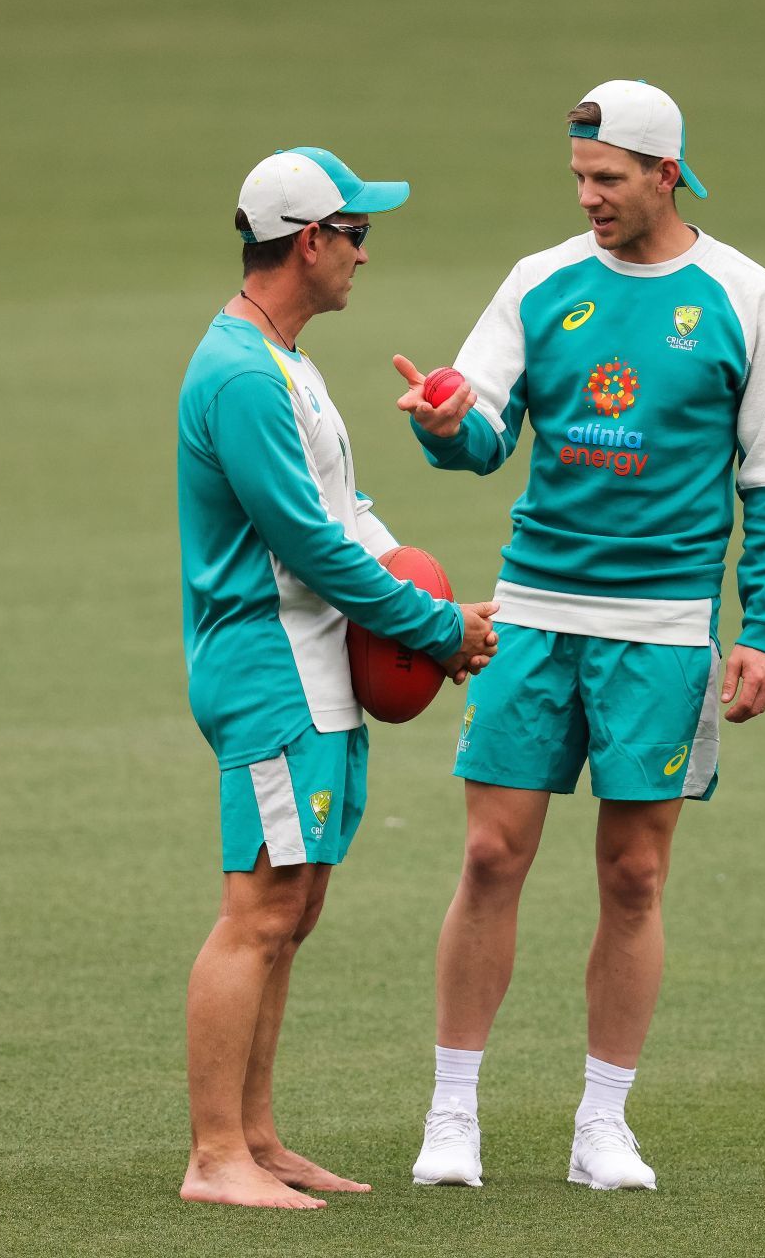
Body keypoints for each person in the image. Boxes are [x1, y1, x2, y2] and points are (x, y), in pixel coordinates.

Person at [397, 80, 765, 1191]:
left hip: (665, 632)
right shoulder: (540, 283)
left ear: (667, 172)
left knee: (633, 875)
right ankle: (452, 1116)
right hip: (534, 613)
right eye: (579, 177)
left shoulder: (748, 296)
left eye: (608, 179)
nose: (588, 197)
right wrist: (447, 426)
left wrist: (763, 627)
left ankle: (602, 1126)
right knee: (491, 854)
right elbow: (481, 428)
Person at [176, 146, 500, 1210]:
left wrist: (434, 609)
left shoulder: (285, 360)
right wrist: (433, 626)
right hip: (271, 668)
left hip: (315, 667)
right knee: (258, 907)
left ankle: (258, 1137)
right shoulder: (238, 375)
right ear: (308, 240)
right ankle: (215, 1154)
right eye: (357, 232)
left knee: (296, 904)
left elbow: (346, 519)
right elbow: (309, 544)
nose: (367, 252)